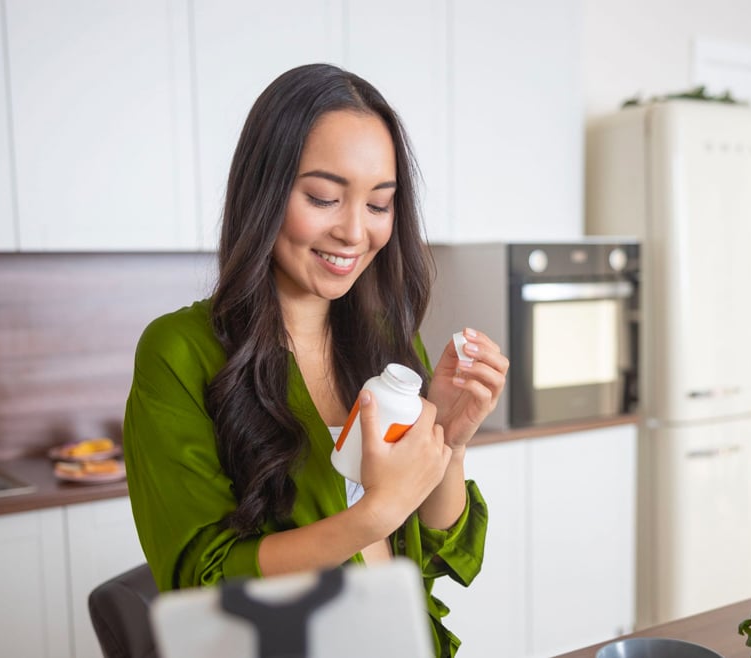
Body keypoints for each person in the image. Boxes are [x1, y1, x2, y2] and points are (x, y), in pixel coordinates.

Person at [123, 63, 508, 657]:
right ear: (265, 190)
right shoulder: (180, 351)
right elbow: (200, 580)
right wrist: (373, 514)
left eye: (379, 205)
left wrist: (449, 443)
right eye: (325, 198)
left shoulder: (386, 344)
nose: (355, 232)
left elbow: (441, 550)